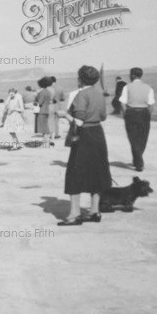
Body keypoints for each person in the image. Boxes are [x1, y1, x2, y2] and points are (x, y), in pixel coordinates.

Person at [57, 65, 111, 226]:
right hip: (98, 134)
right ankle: (95, 211)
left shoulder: (81, 95)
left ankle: (74, 214)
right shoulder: (100, 94)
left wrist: (65, 115)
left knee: (75, 173)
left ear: (80, 78)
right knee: (97, 171)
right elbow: (103, 117)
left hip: (84, 136)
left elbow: (79, 121)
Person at [119, 67, 155, 172]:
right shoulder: (148, 87)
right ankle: (138, 159)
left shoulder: (127, 87)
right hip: (144, 113)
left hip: (131, 113)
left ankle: (138, 162)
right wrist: (147, 114)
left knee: (133, 138)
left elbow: (122, 102)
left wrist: (126, 113)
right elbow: (151, 104)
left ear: (133, 75)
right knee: (143, 138)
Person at [35, 77, 53, 142]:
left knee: (43, 127)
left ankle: (46, 141)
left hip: (41, 111)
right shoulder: (48, 92)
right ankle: (47, 140)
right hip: (47, 110)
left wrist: (36, 95)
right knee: (45, 126)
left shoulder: (42, 92)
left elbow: (39, 102)